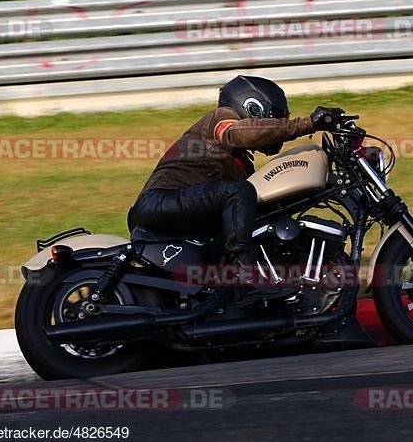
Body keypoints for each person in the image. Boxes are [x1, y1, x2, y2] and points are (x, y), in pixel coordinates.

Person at [128, 75, 342, 308]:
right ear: (253, 107)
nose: (278, 122)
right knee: (239, 192)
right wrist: (307, 124)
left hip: (177, 206)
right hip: (160, 201)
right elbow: (240, 133)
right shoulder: (220, 120)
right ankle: (243, 280)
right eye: (275, 117)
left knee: (251, 205)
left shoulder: (242, 162)